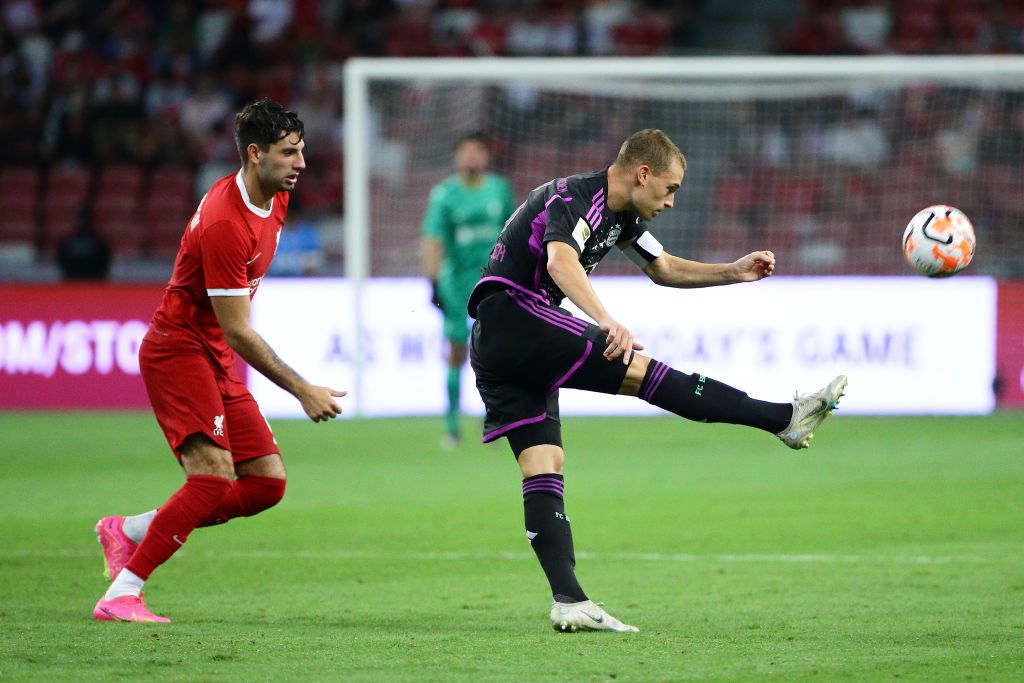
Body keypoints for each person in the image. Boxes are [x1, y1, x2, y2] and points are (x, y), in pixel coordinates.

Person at [467, 129, 847, 633]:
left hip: (500, 342)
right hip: (515, 315)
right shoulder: (572, 198)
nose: (670, 201)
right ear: (642, 174)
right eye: (669, 189)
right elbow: (561, 260)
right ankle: (784, 417)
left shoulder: (623, 214)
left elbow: (663, 267)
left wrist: (730, 272)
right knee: (645, 375)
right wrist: (605, 318)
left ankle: (569, 600)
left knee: (544, 463)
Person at [92, 99, 346, 623]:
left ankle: (132, 529)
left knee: (266, 483)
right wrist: (301, 388)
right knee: (210, 477)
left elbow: (230, 328)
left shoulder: (274, 197)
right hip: (179, 349)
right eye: (288, 153)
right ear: (255, 154)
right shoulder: (225, 223)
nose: (301, 163)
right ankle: (123, 592)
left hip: (211, 353)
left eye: (302, 151)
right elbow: (237, 327)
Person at [421, 132, 515, 447]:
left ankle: (495, 419)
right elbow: (433, 240)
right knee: (457, 352)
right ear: (456, 157)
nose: (472, 156)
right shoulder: (444, 195)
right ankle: (451, 424)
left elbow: (514, 233)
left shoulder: (499, 190)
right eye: (466, 151)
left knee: (495, 354)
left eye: (478, 150)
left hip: (494, 285)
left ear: (486, 156)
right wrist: (432, 282)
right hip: (457, 286)